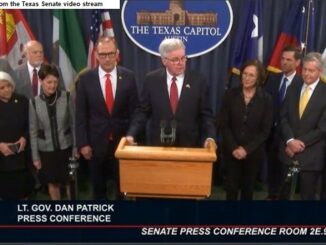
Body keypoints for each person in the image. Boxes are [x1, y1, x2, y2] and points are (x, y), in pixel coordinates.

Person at [75, 36, 139, 200]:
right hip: (95, 145)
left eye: (111, 53)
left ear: (117, 53)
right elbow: (81, 115)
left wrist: (132, 136)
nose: (107, 58)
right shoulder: (85, 79)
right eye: (103, 54)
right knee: (98, 190)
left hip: (122, 143)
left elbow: (135, 112)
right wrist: (83, 144)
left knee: (122, 189)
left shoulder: (129, 77)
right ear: (96, 55)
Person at [126, 38, 216, 147]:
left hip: (189, 147)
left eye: (183, 58)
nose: (180, 63)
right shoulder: (151, 80)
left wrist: (210, 137)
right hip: (159, 145)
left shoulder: (199, 81)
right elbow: (143, 112)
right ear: (164, 61)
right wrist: (131, 134)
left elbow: (206, 115)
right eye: (175, 60)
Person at [220, 60, 273, 200]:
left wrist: (246, 149)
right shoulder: (230, 95)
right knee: (231, 188)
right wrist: (234, 148)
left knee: (248, 190)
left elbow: (265, 131)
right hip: (231, 151)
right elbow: (223, 124)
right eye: (244, 74)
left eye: (251, 75)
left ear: (259, 78)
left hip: (253, 153)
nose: (246, 78)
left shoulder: (266, 99)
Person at [279, 52, 326, 200]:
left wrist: (298, 144)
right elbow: (283, 116)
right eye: (304, 69)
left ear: (320, 71)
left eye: (311, 70)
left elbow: (322, 128)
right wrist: (290, 141)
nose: (306, 73)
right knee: (283, 196)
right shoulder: (294, 86)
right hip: (288, 153)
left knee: (307, 199)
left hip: (311, 156)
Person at [29, 64, 76, 200]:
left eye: (55, 82)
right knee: (53, 183)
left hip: (66, 148)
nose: (53, 85)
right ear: (41, 81)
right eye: (49, 82)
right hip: (46, 152)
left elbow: (73, 125)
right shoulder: (33, 103)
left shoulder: (66, 97)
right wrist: (35, 157)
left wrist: (75, 148)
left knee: (69, 182)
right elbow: (33, 132)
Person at [264, 45, 303, 200]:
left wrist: (291, 138)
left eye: (289, 60)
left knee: (285, 176)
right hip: (270, 134)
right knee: (272, 169)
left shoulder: (301, 84)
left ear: (297, 63)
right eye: (282, 59)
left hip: (288, 137)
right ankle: (271, 196)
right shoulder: (272, 79)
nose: (284, 62)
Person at [0, 71, 34, 199]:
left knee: (23, 191)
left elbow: (31, 124)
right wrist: (0, 146)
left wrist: (24, 138)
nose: (7, 89)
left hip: (22, 155)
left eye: (8, 86)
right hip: (2, 160)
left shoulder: (22, 100)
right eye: (2, 88)